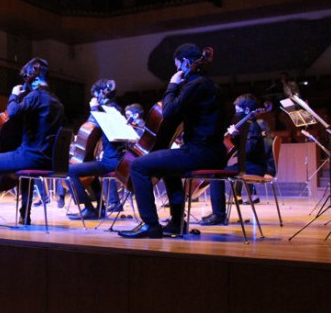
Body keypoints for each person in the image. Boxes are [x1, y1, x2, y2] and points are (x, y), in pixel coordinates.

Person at [119, 43, 226, 239]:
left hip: (200, 152)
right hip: (215, 152)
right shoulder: (212, 86)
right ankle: (177, 222)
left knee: (138, 165)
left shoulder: (195, 85)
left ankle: (150, 225)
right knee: (169, 168)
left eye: (177, 66)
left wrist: (172, 84)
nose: (177, 71)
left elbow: (168, 112)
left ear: (185, 63)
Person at [0, 57, 65, 227]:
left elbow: (13, 112)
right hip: (49, 160)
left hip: (31, 156)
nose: (26, 82)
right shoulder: (57, 102)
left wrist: (14, 95)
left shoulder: (36, 96)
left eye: (27, 78)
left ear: (33, 76)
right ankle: (24, 214)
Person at [200, 93, 267, 225]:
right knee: (217, 172)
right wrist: (237, 136)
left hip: (253, 167)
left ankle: (219, 215)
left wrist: (237, 136)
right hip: (248, 165)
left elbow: (248, 150)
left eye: (238, 108)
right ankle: (218, 213)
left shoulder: (252, 126)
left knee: (215, 175)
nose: (235, 111)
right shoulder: (248, 125)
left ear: (247, 110)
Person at [66, 79, 125, 220]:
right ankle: (100, 208)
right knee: (92, 171)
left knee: (70, 171)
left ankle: (89, 209)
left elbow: (95, 123)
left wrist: (93, 108)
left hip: (112, 161)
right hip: (117, 159)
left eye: (96, 94)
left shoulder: (109, 110)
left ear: (101, 94)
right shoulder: (115, 108)